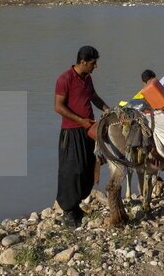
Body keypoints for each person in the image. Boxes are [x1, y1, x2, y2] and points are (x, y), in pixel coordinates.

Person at [54, 45, 110, 228]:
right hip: (71, 131)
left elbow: (93, 96)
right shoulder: (65, 79)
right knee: (71, 171)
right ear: (83, 62)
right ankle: (68, 211)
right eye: (93, 63)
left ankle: (77, 206)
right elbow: (58, 106)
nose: (95, 67)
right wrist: (80, 120)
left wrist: (107, 109)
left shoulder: (87, 79)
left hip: (88, 129)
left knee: (87, 168)